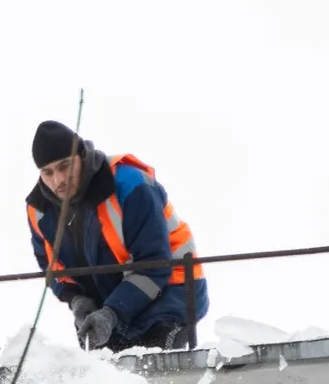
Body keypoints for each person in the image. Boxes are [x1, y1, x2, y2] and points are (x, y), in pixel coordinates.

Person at [24, 120, 208, 352]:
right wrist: (77, 300)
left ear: (82, 156)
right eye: (47, 172)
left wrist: (112, 314)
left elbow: (155, 265)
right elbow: (53, 267)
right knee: (103, 379)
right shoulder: (39, 211)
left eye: (65, 166)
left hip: (171, 294)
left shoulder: (131, 185)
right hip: (109, 303)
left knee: (154, 371)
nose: (58, 180)